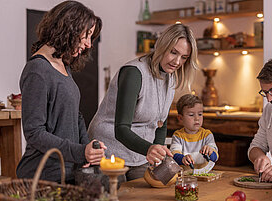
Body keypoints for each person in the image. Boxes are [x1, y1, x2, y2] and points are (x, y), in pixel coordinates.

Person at [88, 24, 198, 182]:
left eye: (184, 57)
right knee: (117, 193)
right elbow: (121, 129)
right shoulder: (134, 73)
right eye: (173, 52)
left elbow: (161, 123)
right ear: (161, 46)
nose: (177, 61)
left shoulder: (170, 76)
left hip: (139, 154)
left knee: (152, 192)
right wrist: (149, 149)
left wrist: (158, 156)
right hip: (108, 151)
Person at [16, 1, 106, 184]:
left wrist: (87, 150)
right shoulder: (37, 70)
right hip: (44, 175)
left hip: (69, 170)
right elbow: (34, 133)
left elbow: (76, 115)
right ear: (70, 27)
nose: (89, 44)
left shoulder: (63, 66)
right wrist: (80, 152)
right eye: (87, 35)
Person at [170, 94, 219, 170]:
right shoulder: (178, 136)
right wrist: (183, 158)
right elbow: (174, 155)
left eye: (200, 114)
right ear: (180, 118)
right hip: (185, 176)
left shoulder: (207, 135)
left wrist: (210, 151)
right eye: (191, 115)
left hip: (204, 175)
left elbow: (215, 157)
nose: (197, 118)